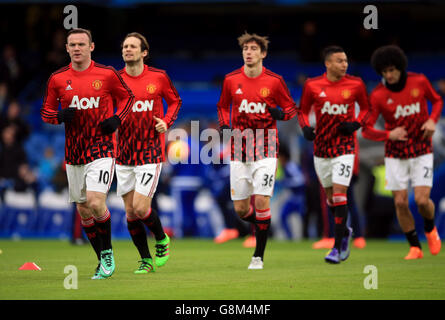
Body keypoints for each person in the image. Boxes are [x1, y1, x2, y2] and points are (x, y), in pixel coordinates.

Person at [40, 28, 134, 279]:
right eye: (73, 44)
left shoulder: (107, 74)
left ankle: (108, 255)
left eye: (82, 43)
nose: (77, 48)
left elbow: (128, 98)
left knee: (95, 201)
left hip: (102, 148)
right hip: (74, 153)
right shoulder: (57, 79)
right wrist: (59, 116)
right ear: (67, 49)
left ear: (91, 47)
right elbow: (45, 113)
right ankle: (101, 258)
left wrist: (116, 119)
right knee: (83, 210)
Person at [217, 32, 298, 269]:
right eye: (245, 49)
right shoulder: (231, 79)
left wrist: (281, 114)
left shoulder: (274, 81)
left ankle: (258, 256)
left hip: (266, 146)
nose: (249, 52)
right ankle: (264, 226)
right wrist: (223, 125)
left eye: (253, 49)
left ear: (263, 53)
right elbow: (222, 105)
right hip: (239, 148)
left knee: (262, 200)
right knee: (242, 209)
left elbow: (292, 110)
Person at [362, 45, 443, 259]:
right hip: (395, 153)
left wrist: (432, 121)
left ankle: (430, 229)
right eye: (384, 72)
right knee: (399, 201)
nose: (389, 75)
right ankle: (415, 247)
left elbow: (437, 101)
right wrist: (389, 135)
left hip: (421, 149)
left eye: (392, 70)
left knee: (422, 200)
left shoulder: (420, 82)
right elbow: (367, 129)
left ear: (400, 67)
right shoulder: (379, 95)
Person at [297, 45, 370, 264]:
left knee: (340, 194)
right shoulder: (312, 85)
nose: (344, 64)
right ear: (328, 63)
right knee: (331, 198)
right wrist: (305, 128)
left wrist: (355, 124)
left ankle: (337, 247)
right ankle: (345, 231)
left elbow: (367, 109)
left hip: (345, 148)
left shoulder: (356, 84)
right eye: (339, 61)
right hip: (321, 149)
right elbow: (302, 110)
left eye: (346, 60)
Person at [116, 32, 181, 274]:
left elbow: (175, 102)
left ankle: (162, 238)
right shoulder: (114, 79)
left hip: (149, 152)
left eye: (133, 46)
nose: (127, 50)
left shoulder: (159, 77)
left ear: (144, 52)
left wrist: (166, 121)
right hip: (122, 154)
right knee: (130, 211)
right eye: (124, 46)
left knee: (141, 207)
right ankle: (145, 260)